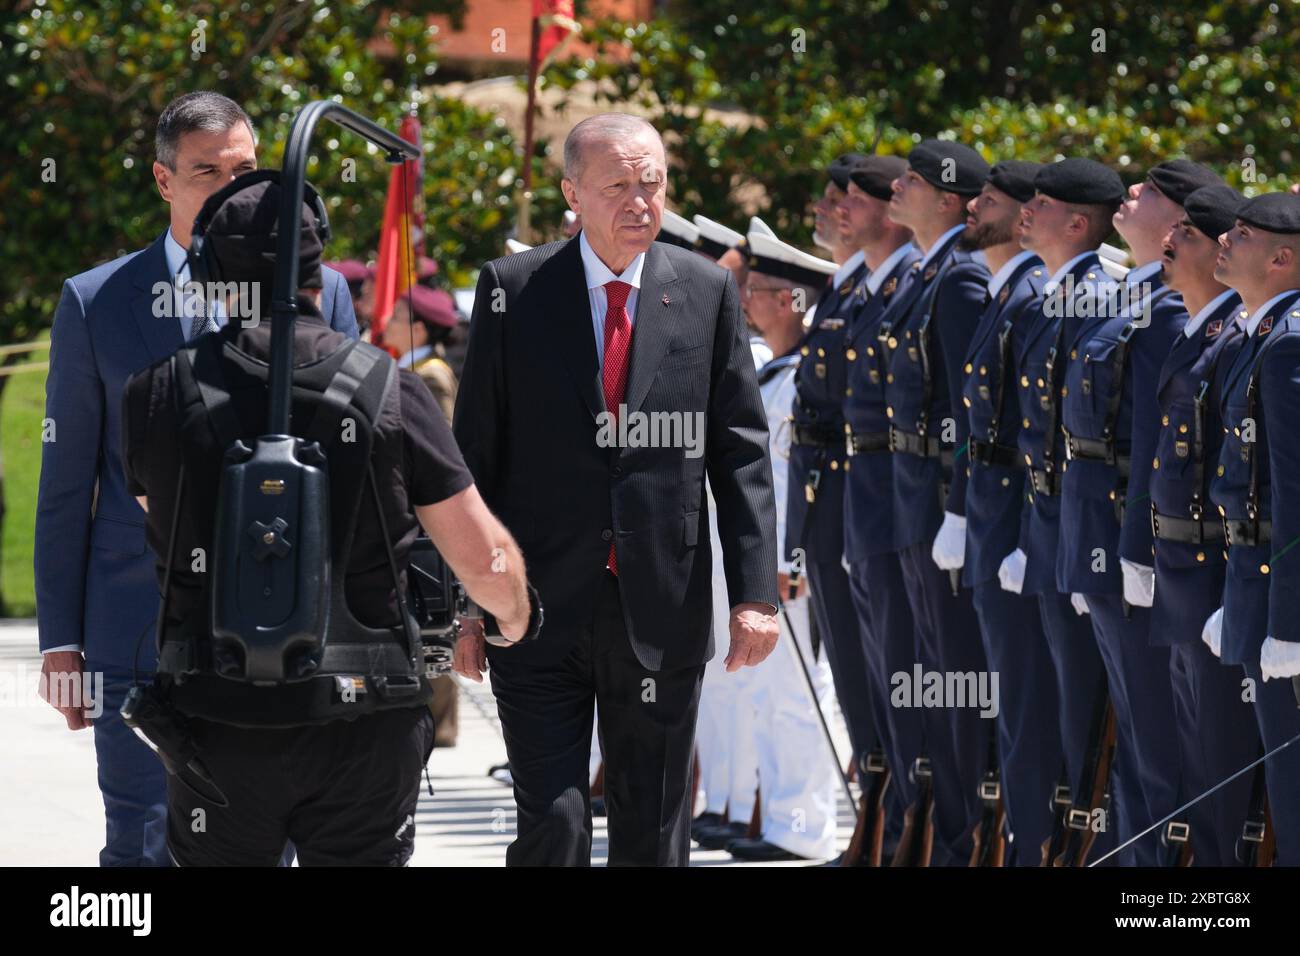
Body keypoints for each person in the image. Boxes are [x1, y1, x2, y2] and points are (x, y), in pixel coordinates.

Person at [120, 172, 533, 865]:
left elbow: (157, 513)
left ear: (214, 274)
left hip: (215, 719)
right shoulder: (389, 386)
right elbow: (482, 556)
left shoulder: (157, 392)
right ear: (319, 269)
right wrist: (515, 616)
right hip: (362, 722)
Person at [34, 90, 358, 867]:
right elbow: (67, 483)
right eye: (205, 170)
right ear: (162, 180)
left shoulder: (323, 291)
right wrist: (62, 642)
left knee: (264, 839)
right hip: (134, 621)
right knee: (141, 833)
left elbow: (351, 460)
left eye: (244, 168)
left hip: (277, 622)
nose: (229, 186)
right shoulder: (94, 301)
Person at [452, 113, 781, 866]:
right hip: (532, 609)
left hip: (661, 603)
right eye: (617, 186)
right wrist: (464, 605)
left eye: (652, 183)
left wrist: (754, 593)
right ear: (572, 193)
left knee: (654, 827)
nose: (639, 201)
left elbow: (741, 452)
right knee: (553, 825)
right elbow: (473, 458)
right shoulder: (513, 291)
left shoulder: (705, 291)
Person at [1057, 160, 1218, 865]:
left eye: (1149, 192)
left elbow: (1158, 448)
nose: (1130, 195)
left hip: (1139, 547)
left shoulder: (1173, 312)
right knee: (1134, 739)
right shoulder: (1139, 294)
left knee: (1158, 747)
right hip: (1097, 539)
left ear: (1182, 221)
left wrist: (1133, 551)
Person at [878, 138, 991, 865]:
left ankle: (962, 841)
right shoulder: (925, 272)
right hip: (908, 496)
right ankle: (942, 836)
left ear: (949, 198)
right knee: (928, 676)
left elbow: (964, 404)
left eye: (913, 180)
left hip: (935, 504)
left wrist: (957, 506)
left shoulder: (958, 278)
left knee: (952, 677)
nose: (898, 186)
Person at [1005, 158, 1120, 864]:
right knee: (1052, 699)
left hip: (1081, 531)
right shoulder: (1052, 294)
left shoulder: (1097, 297)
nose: (1027, 209)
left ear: (1078, 223)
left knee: (1083, 706)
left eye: (1042, 202)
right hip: (1045, 522)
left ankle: (1086, 850)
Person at [950, 160, 1063, 864]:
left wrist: (1020, 534)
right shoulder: (1005, 291)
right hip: (993, 520)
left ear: (1025, 214)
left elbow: (1036, 433)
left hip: (1019, 525)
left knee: (1026, 704)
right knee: (1011, 701)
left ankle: (1034, 848)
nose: (974, 206)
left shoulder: (1032, 294)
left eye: (988, 199)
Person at [716, 227, 840, 862]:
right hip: (773, 561)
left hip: (794, 564)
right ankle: (772, 819)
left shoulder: (805, 377)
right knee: (766, 695)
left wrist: (793, 558)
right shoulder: (779, 373)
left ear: (793, 299)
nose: (745, 299)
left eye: (759, 289)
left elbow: (802, 480)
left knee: (796, 698)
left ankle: (802, 827)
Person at [1148, 183, 1256, 864]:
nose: (1169, 242)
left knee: (1222, 766)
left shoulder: (1236, 339)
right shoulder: (1198, 335)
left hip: (1218, 573)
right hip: (1183, 572)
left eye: (1186, 233)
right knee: (1195, 752)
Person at [1207, 191, 1300, 865]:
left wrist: (1290, 623)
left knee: (1292, 790)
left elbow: (1295, 494)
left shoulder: (1287, 342)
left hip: (1278, 597)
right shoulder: (1265, 334)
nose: (1224, 240)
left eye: (1242, 233)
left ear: (1282, 257)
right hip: (1252, 582)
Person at [782, 156, 877, 813]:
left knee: (881, 681)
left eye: (844, 197)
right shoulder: (845, 290)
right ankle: (879, 812)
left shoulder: (881, 290)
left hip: (869, 508)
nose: (827, 209)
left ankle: (894, 817)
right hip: (834, 507)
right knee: (851, 675)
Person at [839, 153, 922, 861]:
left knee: (917, 686)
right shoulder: (878, 286)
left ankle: (916, 834)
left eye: (857, 197)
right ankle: (889, 827)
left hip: (907, 509)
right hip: (864, 497)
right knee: (874, 680)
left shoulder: (925, 283)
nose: (840, 208)